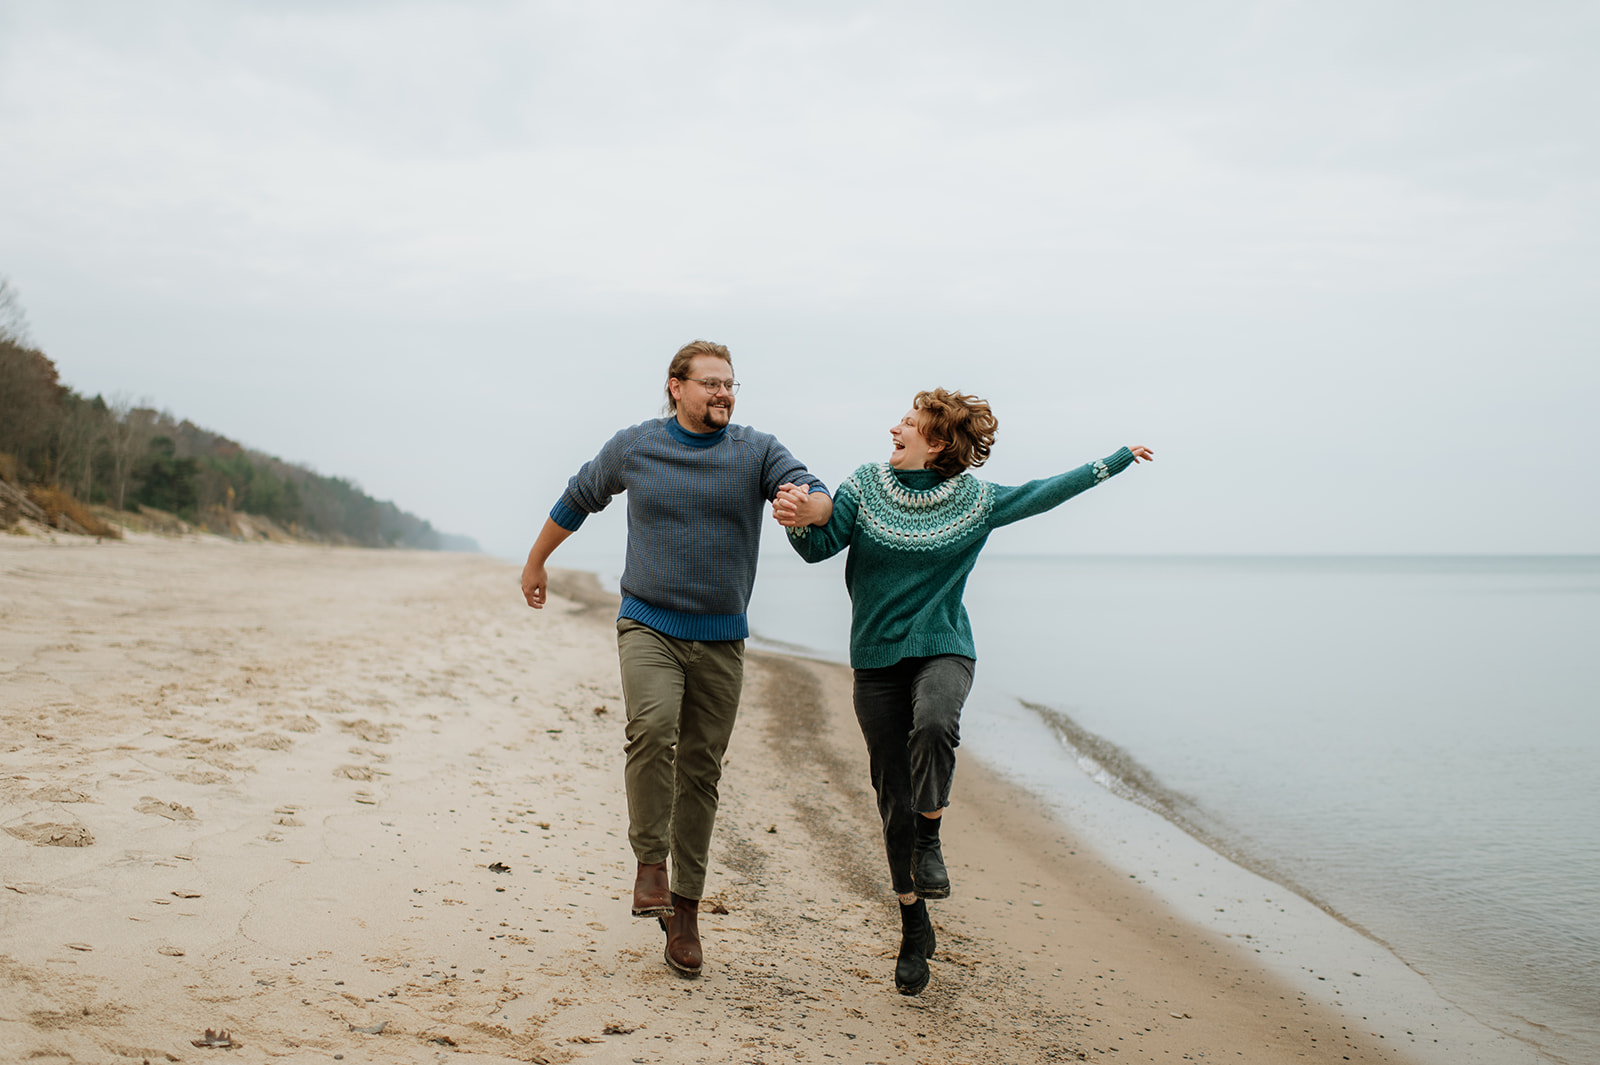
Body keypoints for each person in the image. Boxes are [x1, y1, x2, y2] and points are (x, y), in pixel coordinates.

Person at [772, 388, 1151, 995]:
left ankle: (931, 838)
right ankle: (911, 921)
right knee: (890, 792)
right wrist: (795, 523)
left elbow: (1040, 493)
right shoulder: (865, 485)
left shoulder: (975, 500)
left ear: (938, 441)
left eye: (907, 422)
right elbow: (822, 547)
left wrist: (1112, 461)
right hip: (875, 656)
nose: (893, 427)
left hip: (944, 643)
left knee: (935, 721)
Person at [521, 339, 832, 978]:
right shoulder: (637, 446)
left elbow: (813, 490)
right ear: (676, 387)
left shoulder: (755, 449)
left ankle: (684, 913)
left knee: (701, 770)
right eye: (711, 383)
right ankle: (649, 865)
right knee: (652, 728)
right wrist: (536, 561)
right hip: (650, 623)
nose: (723, 394)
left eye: (731, 384)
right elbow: (579, 495)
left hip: (721, 636)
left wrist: (807, 507)